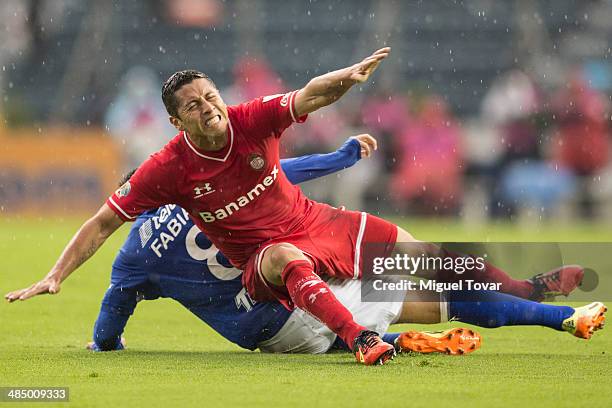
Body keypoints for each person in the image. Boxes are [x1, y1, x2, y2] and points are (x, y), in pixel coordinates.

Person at [5, 48, 603, 366]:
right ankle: (364, 339)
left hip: (322, 226)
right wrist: (56, 274)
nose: (208, 107)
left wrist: (345, 79)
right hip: (271, 274)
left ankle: (542, 299)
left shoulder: (247, 120)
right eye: (193, 105)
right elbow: (105, 219)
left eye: (210, 96)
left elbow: (304, 105)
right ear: (175, 120)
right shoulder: (168, 172)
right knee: (293, 261)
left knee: (441, 263)